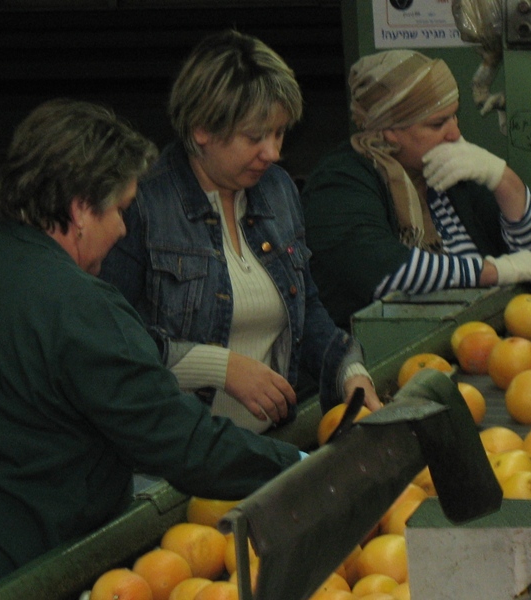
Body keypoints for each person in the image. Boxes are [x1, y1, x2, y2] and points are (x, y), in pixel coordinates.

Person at [0, 99, 304, 599]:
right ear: (81, 208)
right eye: (122, 210)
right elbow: (179, 442)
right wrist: (301, 467)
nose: (125, 230)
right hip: (36, 569)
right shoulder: (81, 308)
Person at [99, 29, 380, 434]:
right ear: (201, 129)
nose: (273, 152)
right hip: (176, 454)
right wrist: (220, 367)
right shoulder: (142, 205)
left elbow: (307, 309)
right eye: (255, 137)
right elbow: (110, 339)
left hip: (268, 443)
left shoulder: (278, 189)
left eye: (280, 133)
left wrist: (348, 369)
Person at [300, 49, 531, 329]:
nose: (455, 134)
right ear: (389, 130)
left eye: (454, 116)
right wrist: (494, 271)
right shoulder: (339, 185)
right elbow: (386, 273)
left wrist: (503, 180)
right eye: (437, 123)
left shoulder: (450, 169)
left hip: (476, 341)